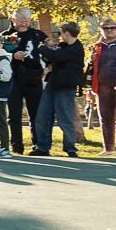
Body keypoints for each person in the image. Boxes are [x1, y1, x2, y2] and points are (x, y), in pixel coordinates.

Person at [30, 21, 85, 158]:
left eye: (61, 33)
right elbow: (51, 58)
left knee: (65, 118)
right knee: (43, 116)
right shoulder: (63, 46)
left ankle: (70, 148)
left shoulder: (76, 48)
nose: (60, 36)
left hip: (66, 87)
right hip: (53, 84)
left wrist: (42, 48)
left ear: (67, 33)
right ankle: (42, 147)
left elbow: (57, 56)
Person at [85, 18, 116, 156]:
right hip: (102, 87)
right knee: (105, 118)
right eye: (106, 28)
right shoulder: (96, 46)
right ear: (101, 30)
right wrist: (90, 61)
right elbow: (90, 65)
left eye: (112, 27)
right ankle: (108, 149)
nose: (109, 30)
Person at [2, 8, 48, 154]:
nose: (24, 24)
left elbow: (50, 52)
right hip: (13, 79)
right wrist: (13, 56)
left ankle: (38, 146)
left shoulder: (38, 35)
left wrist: (47, 68)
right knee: (14, 115)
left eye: (27, 21)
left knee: (36, 114)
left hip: (33, 78)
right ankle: (17, 146)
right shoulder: (5, 36)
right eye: (21, 21)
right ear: (13, 19)